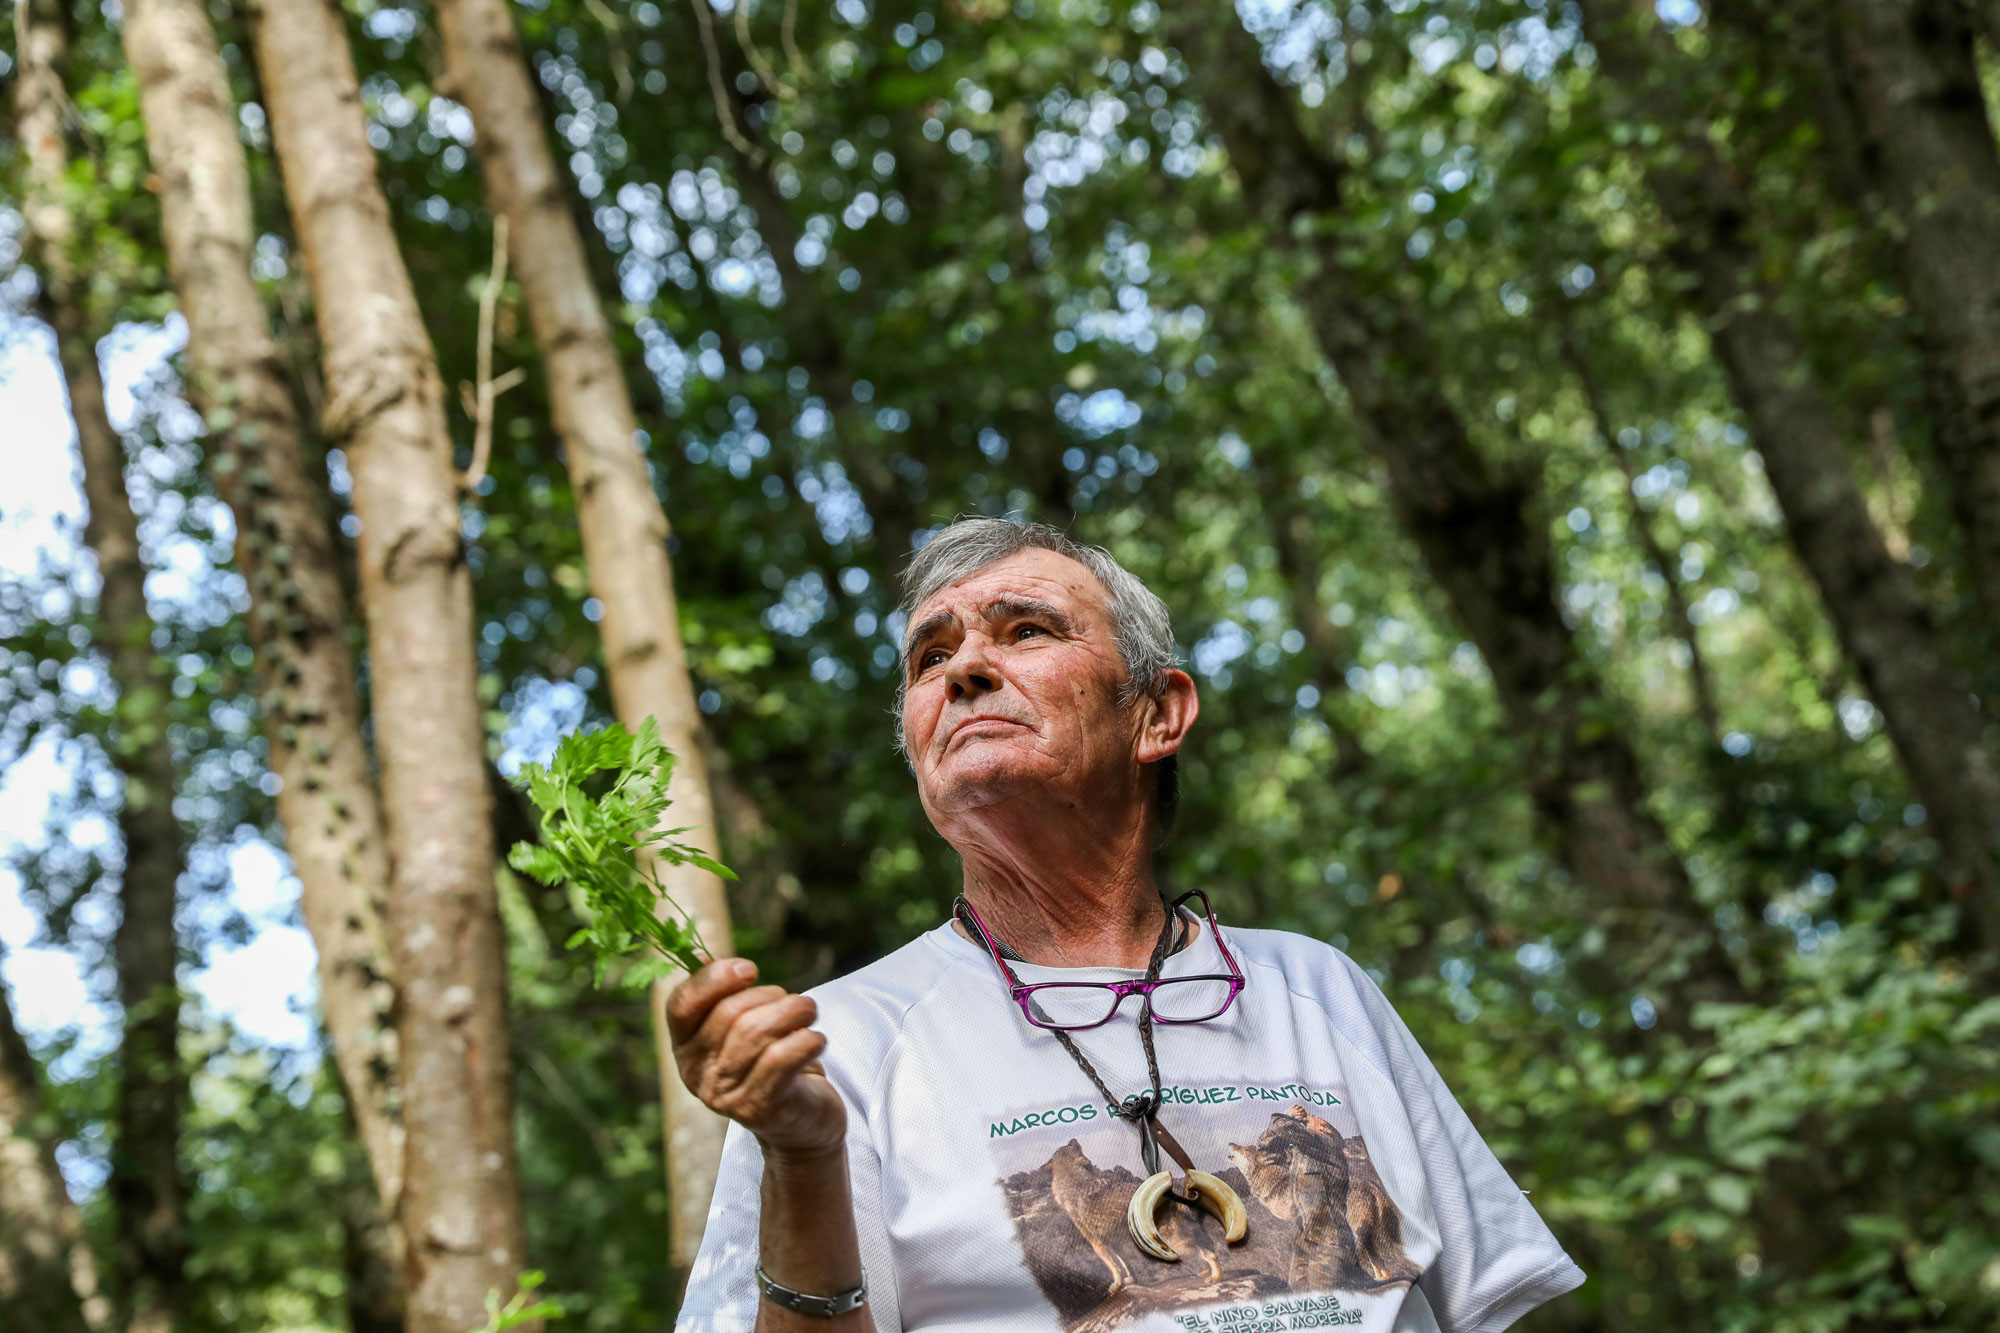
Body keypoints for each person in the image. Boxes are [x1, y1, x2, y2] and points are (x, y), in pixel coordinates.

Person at [669, 518, 1583, 1332]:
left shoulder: (1318, 987)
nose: (964, 670)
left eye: (1026, 629)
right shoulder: (836, 1049)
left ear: (1157, 714)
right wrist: (799, 1153)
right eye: (928, 658)